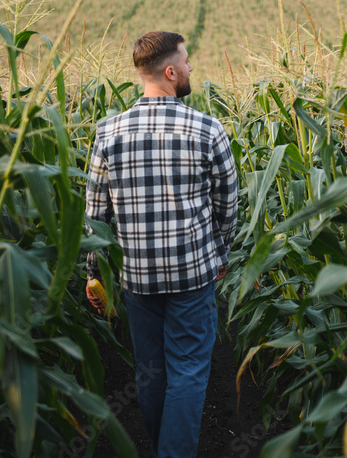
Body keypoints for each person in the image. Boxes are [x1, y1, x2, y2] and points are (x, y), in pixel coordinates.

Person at [83, 31, 238, 458]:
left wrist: (95, 275)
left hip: (136, 277)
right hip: (192, 274)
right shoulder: (208, 129)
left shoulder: (108, 132)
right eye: (186, 62)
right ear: (170, 72)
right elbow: (228, 203)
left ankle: (161, 448)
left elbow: (95, 216)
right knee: (188, 370)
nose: (190, 69)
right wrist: (220, 254)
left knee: (151, 373)